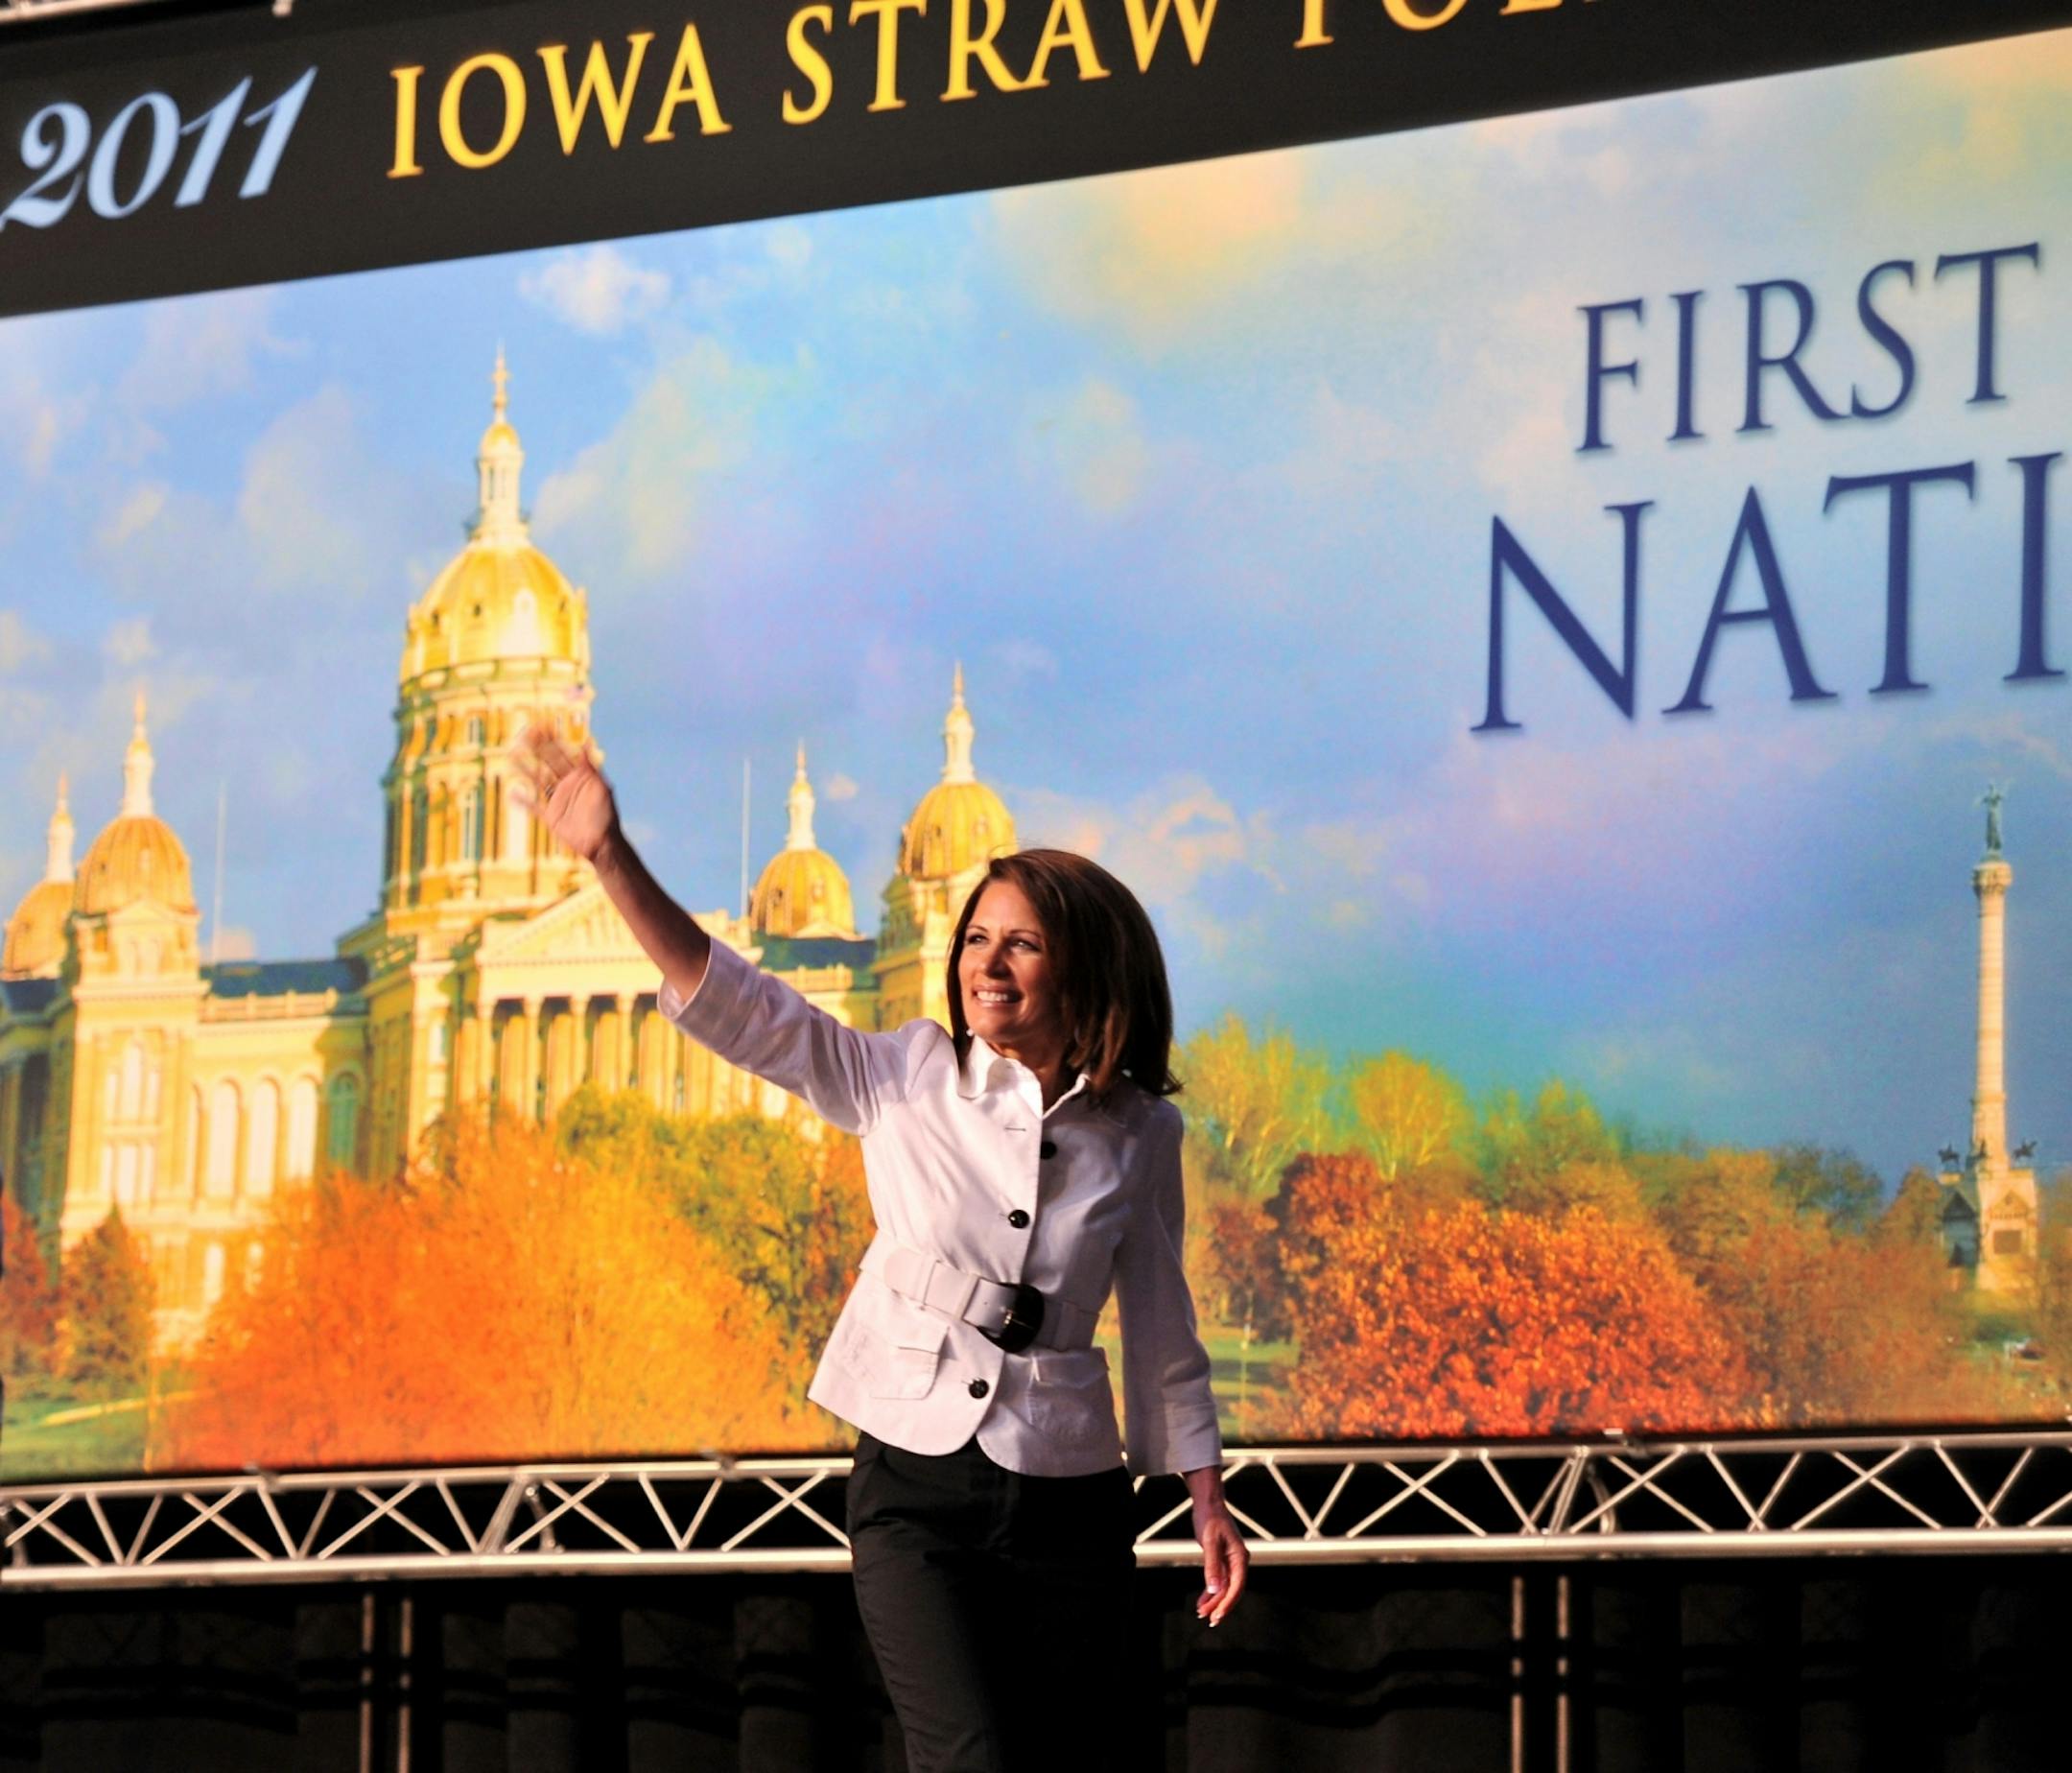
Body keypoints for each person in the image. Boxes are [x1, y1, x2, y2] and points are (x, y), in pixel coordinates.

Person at [513, 723, 1248, 1772]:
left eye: (1023, 943)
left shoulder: (1139, 1132)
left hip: (1070, 1498)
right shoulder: (904, 1074)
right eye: (976, 938)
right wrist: (608, 858)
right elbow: (744, 1009)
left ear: (1086, 965)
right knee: (968, 1760)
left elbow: (1165, 1333)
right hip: (916, 1490)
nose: (986, 963)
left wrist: (1207, 1496)